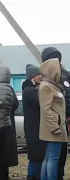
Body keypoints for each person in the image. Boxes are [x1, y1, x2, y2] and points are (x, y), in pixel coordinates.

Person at [41, 47, 69, 180]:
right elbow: (46, 109)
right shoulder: (46, 86)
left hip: (57, 125)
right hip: (54, 127)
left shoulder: (52, 85)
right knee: (52, 158)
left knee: (49, 157)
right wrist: (55, 126)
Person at [22, 64, 45, 180]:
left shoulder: (31, 89)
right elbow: (41, 102)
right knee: (36, 154)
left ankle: (34, 174)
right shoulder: (29, 90)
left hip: (35, 127)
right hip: (34, 127)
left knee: (37, 154)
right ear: (32, 76)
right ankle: (33, 175)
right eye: (38, 74)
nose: (41, 77)